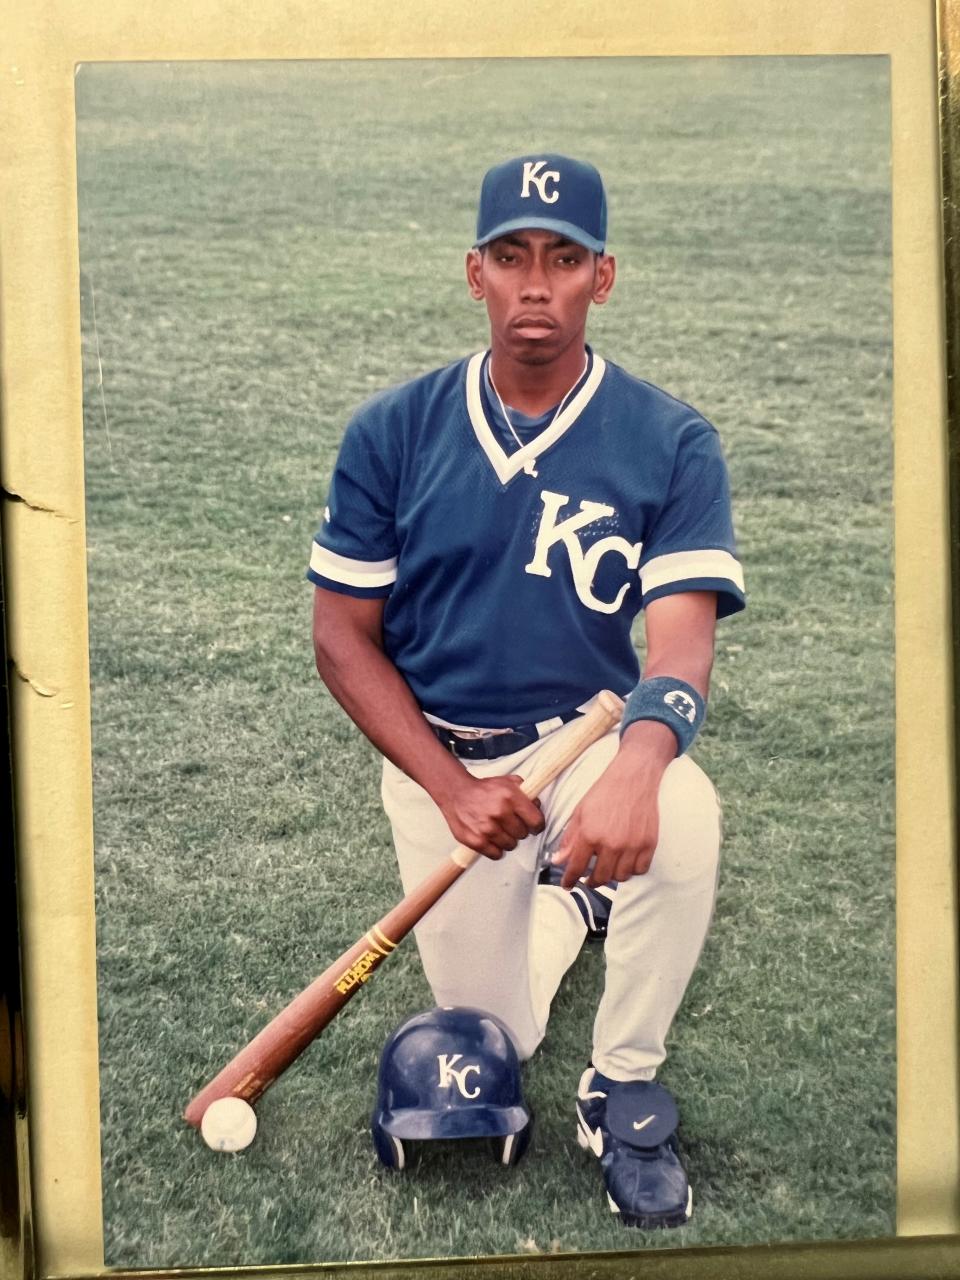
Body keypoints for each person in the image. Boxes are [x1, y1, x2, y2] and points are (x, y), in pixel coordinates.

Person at [307, 154, 745, 1228]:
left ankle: (625, 1085)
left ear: (605, 275)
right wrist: (452, 786)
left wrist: (638, 765)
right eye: (512, 257)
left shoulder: (670, 439)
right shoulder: (393, 430)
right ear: (474, 274)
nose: (535, 285)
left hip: (582, 736)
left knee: (683, 813)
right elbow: (340, 638)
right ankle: (574, 900)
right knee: (498, 1027)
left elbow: (680, 648)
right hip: (439, 756)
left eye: (563, 258)